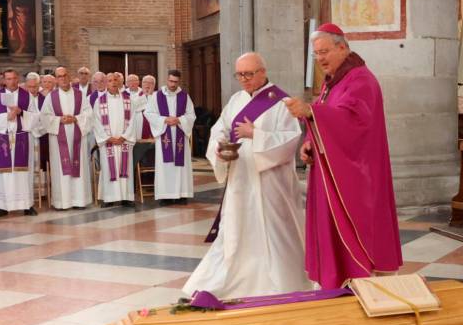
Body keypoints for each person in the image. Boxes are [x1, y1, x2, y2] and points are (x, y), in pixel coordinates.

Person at [284, 23, 402, 288]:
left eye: (324, 51)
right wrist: (310, 142)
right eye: (316, 54)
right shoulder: (334, 81)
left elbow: (353, 119)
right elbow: (327, 113)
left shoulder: (360, 79)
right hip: (333, 172)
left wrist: (310, 112)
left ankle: (356, 277)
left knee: (354, 228)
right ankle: (336, 278)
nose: (320, 59)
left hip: (357, 176)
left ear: (342, 47)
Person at [185, 52, 311, 298]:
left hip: (270, 184)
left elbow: (290, 140)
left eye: (249, 74)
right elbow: (219, 130)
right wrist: (220, 149)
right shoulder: (235, 100)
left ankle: (281, 281)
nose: (244, 79)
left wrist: (257, 134)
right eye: (240, 74)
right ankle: (233, 277)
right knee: (236, 227)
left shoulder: (281, 102)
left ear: (263, 72)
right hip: (240, 179)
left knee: (273, 230)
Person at [0, 68, 39, 217]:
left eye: (15, 78)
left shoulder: (27, 96)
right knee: (3, 174)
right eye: (8, 79)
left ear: (18, 79)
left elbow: (36, 116)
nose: (12, 81)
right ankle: (2, 206)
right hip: (3, 137)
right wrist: (6, 117)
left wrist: (21, 112)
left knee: (23, 173)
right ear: (3, 80)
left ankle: (27, 205)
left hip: (22, 137)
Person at [39, 66, 93, 209]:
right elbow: (44, 117)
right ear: (56, 79)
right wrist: (59, 120)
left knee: (78, 165)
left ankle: (79, 200)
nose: (62, 79)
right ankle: (62, 202)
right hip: (58, 139)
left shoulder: (80, 95)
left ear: (69, 76)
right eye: (59, 76)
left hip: (78, 136)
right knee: (60, 168)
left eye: (65, 75)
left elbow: (89, 114)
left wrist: (76, 119)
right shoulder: (51, 97)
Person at [144, 69, 195, 204]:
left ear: (179, 82)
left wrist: (179, 120)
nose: (173, 84)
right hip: (164, 134)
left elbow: (191, 115)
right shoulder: (156, 96)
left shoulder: (184, 96)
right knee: (165, 165)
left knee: (180, 166)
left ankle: (181, 194)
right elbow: (148, 113)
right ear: (167, 80)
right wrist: (165, 120)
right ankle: (165, 196)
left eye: (176, 82)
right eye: (171, 81)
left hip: (180, 135)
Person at [93, 71, 138, 207]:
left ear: (119, 82)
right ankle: (109, 198)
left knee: (125, 169)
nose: (113, 82)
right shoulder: (99, 101)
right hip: (108, 143)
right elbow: (96, 122)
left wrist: (124, 137)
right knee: (108, 169)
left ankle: (126, 198)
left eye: (115, 80)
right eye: (110, 80)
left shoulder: (128, 100)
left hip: (124, 141)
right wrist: (108, 138)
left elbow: (133, 119)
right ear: (106, 83)